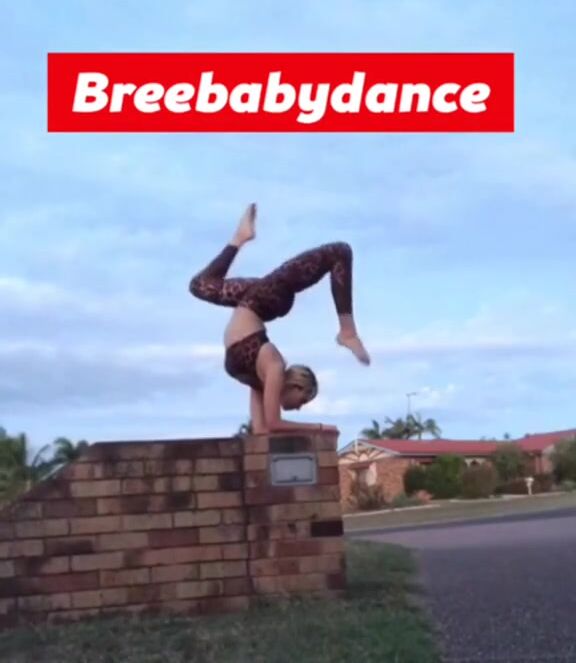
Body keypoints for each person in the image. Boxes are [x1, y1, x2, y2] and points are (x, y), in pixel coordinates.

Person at [189, 203, 370, 434]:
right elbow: (275, 423)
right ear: (296, 386)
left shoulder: (259, 380)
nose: (299, 408)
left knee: (200, 285)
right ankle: (348, 332)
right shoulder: (275, 366)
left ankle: (240, 237)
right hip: (267, 300)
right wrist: (321, 428)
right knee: (339, 252)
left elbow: (262, 429)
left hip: (254, 302)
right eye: (302, 401)